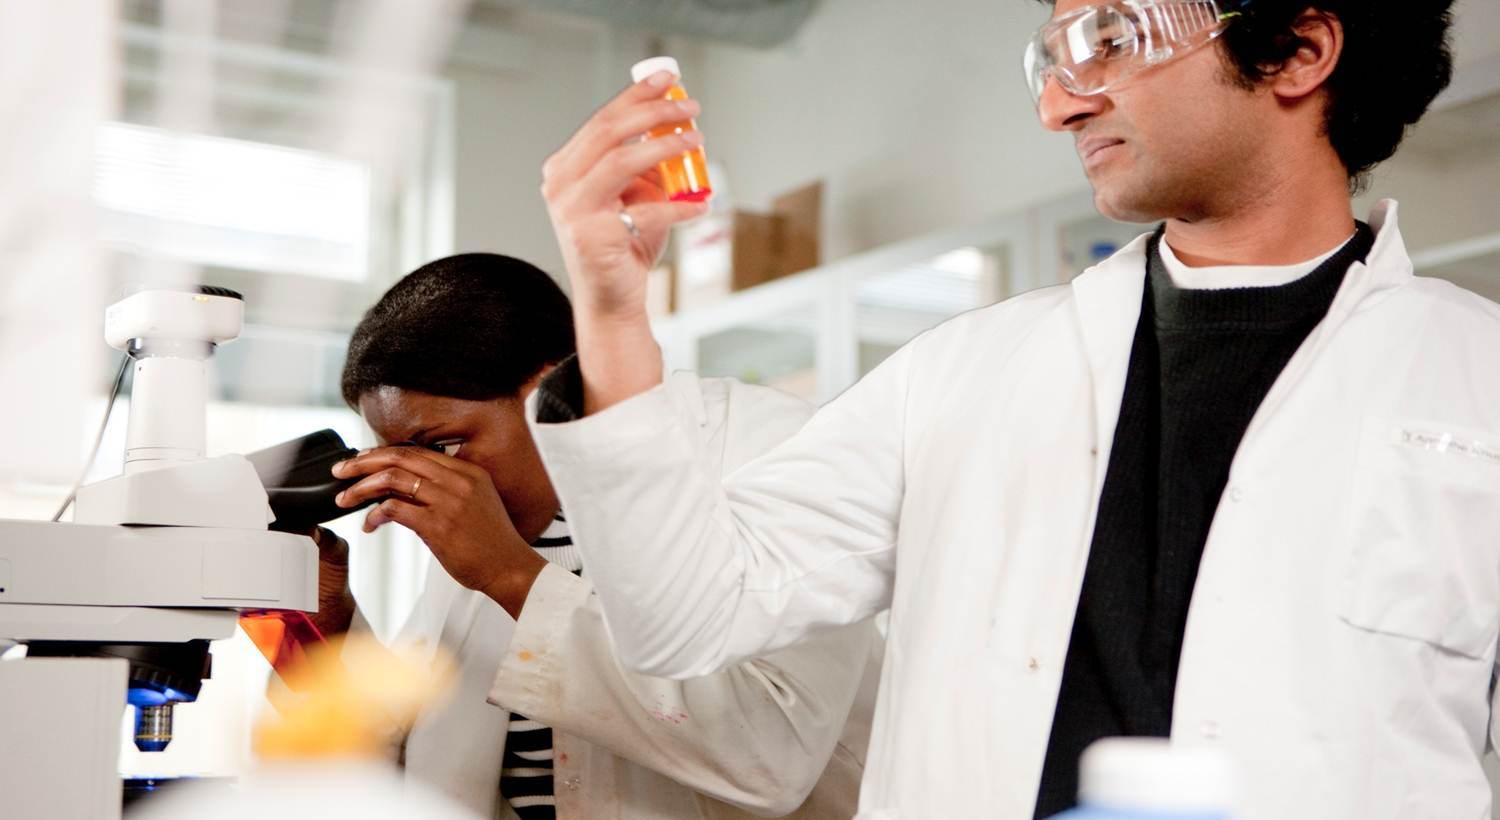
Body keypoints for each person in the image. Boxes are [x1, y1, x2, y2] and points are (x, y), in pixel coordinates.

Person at [527, 1, 1500, 818]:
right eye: (1051, 60)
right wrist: (611, 310)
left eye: (1110, 41)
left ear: (1298, 50)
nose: (1057, 105)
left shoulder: (1475, 380)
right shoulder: (963, 371)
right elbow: (684, 619)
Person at [315, 252, 880, 820]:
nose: (422, 478)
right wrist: (327, 622)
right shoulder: (497, 504)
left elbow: (771, 759)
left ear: (550, 388)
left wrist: (511, 576)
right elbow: (415, 758)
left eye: (440, 447)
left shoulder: (768, 447)